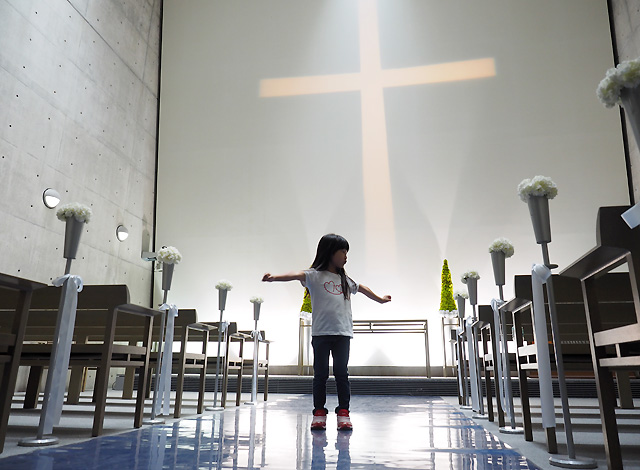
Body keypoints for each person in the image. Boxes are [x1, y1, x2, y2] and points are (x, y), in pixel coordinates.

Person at [262, 233, 391, 431]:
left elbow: (361, 288)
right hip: (321, 334)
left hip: (342, 334)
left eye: (347, 252)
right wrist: (274, 278)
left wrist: (380, 299)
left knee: (342, 374)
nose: (346, 256)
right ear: (330, 252)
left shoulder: (344, 279)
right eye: (343, 252)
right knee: (320, 375)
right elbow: (295, 274)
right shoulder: (314, 276)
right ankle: (319, 413)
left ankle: (343, 413)